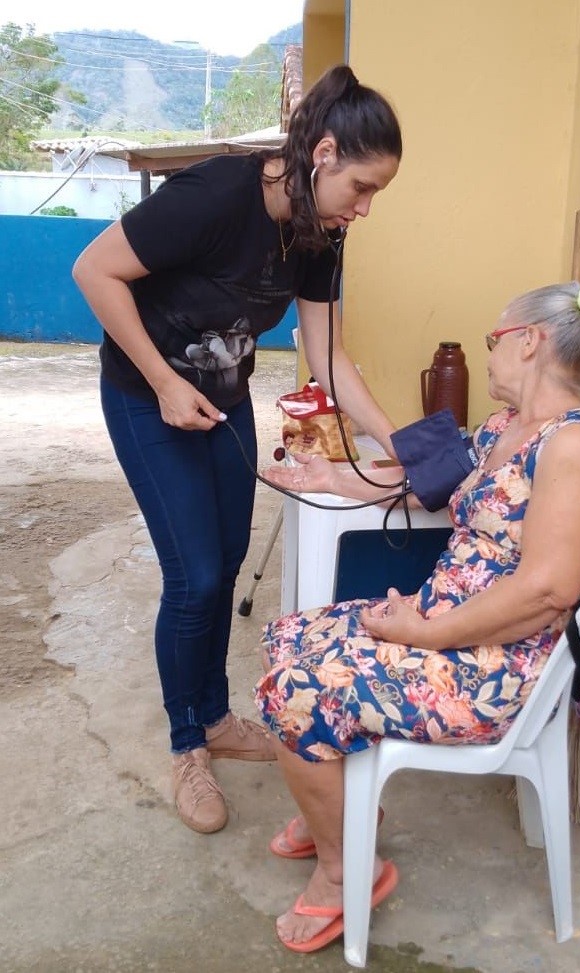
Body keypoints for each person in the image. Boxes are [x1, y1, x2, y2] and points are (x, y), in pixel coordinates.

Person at [72, 63, 402, 835]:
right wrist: (159, 380)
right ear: (322, 153)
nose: (365, 208)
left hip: (221, 402)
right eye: (363, 187)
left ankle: (216, 715)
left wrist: (397, 442)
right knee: (191, 575)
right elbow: (94, 269)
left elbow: (327, 354)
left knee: (223, 564)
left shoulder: (321, 233)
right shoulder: (216, 197)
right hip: (146, 397)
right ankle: (187, 743)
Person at [254, 281, 580, 954]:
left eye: (492, 340)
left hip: (491, 667)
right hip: (445, 631)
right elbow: (422, 476)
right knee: (286, 636)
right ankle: (339, 813)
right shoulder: (506, 427)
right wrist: (332, 477)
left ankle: (346, 872)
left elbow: (544, 593)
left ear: (529, 341)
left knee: (293, 690)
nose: (486, 356)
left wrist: (419, 631)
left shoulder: (574, 448)